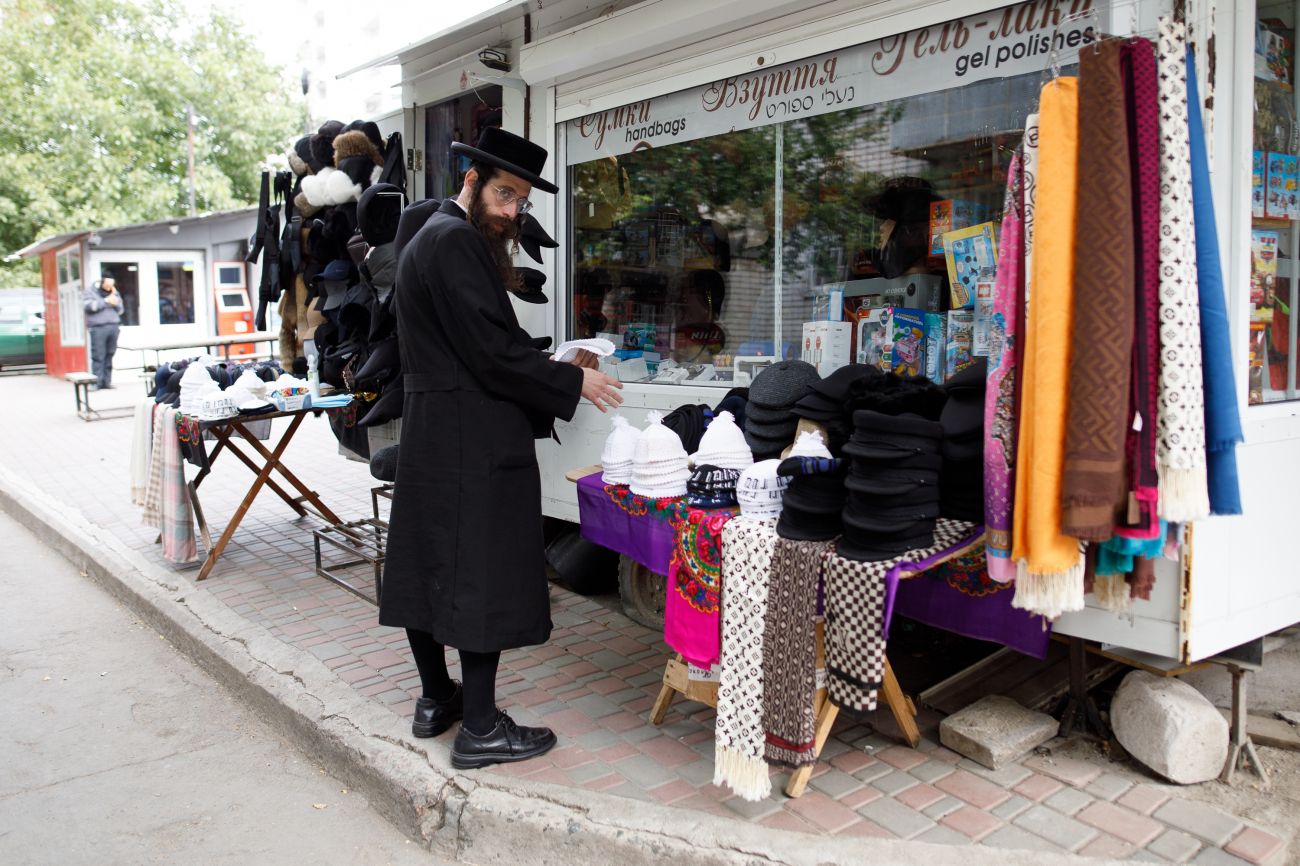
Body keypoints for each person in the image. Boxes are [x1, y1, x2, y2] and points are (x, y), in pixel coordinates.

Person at [381, 128, 624, 770]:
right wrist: (574, 377)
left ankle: (438, 699)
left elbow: (476, 343)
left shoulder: (425, 236)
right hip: (471, 432)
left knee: (431, 561)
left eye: (520, 201)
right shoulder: (457, 241)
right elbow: (490, 354)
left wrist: (548, 363)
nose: (513, 211)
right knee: (477, 571)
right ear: (472, 180)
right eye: (505, 194)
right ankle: (482, 728)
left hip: (436, 424)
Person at [83, 277, 123, 389]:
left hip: (113, 327)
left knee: (109, 355)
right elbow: (88, 306)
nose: (108, 288)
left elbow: (120, 310)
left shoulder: (114, 292)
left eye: (110, 286)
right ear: (101, 283)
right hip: (98, 328)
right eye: (106, 286)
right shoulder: (89, 291)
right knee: (98, 356)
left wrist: (116, 302)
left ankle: (106, 382)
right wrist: (105, 301)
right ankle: (96, 383)